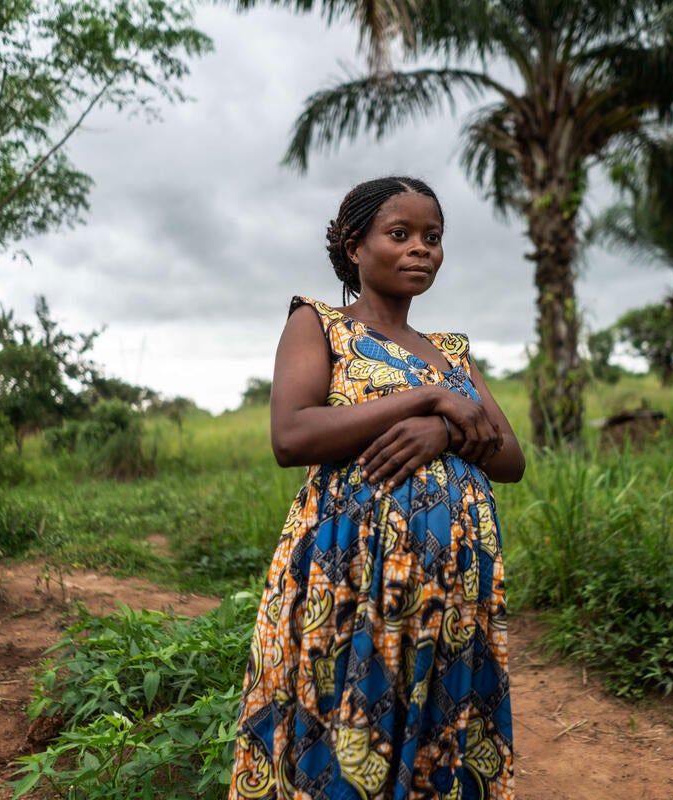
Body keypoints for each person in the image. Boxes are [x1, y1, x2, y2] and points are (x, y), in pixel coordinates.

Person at [229, 176, 526, 800]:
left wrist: (441, 433)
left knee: (433, 739)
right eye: (401, 234)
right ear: (354, 247)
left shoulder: (452, 353)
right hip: (346, 582)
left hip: (449, 596)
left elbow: (510, 459)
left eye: (433, 238)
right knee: (344, 733)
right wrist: (426, 397)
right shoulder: (319, 325)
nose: (422, 249)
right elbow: (292, 435)